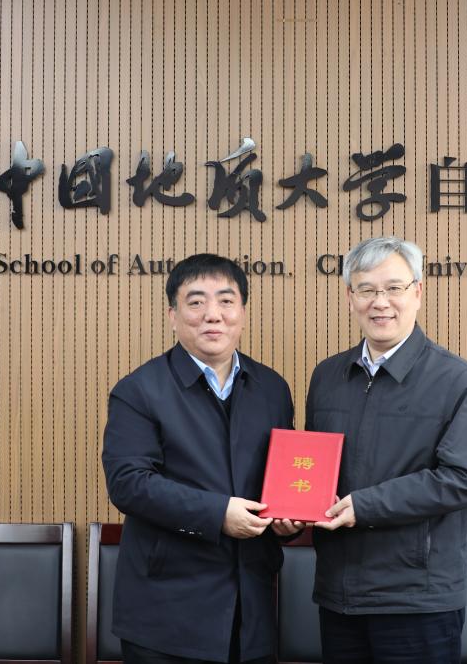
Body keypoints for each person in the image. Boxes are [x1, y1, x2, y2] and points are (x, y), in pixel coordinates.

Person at [103, 253, 302, 664]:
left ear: (242, 312)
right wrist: (218, 514)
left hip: (252, 610)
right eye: (196, 302)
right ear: (173, 316)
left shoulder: (272, 389)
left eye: (226, 301)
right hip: (167, 613)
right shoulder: (139, 390)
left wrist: (287, 520)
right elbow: (129, 484)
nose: (213, 314)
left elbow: (278, 479)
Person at [306, 236, 467, 664]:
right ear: (350, 297)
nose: (380, 302)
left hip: (417, 599)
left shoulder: (456, 379)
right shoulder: (328, 376)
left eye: (394, 288)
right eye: (366, 289)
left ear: (418, 292)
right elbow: (316, 469)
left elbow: (465, 478)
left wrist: (365, 505)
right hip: (339, 595)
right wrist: (291, 510)